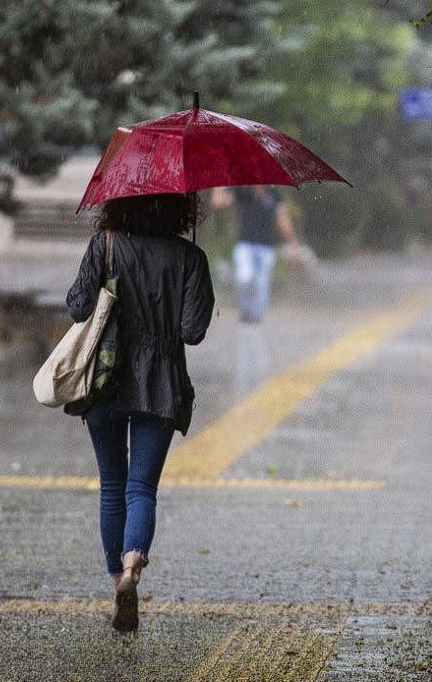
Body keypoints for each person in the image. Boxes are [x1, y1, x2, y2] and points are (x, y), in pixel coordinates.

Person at [65, 192, 214, 631]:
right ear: (179, 207)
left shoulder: (105, 244)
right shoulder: (190, 256)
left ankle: (118, 583)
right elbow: (192, 331)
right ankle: (133, 564)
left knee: (113, 486)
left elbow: (78, 306)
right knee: (141, 488)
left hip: (105, 377)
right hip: (161, 383)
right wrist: (190, 277)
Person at [211, 185, 300, 323]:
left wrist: (292, 242)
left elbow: (282, 218)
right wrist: (221, 183)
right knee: (244, 278)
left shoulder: (273, 193)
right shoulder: (243, 191)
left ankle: (257, 316)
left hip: (266, 246)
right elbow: (217, 202)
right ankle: (245, 311)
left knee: (262, 283)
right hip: (245, 244)